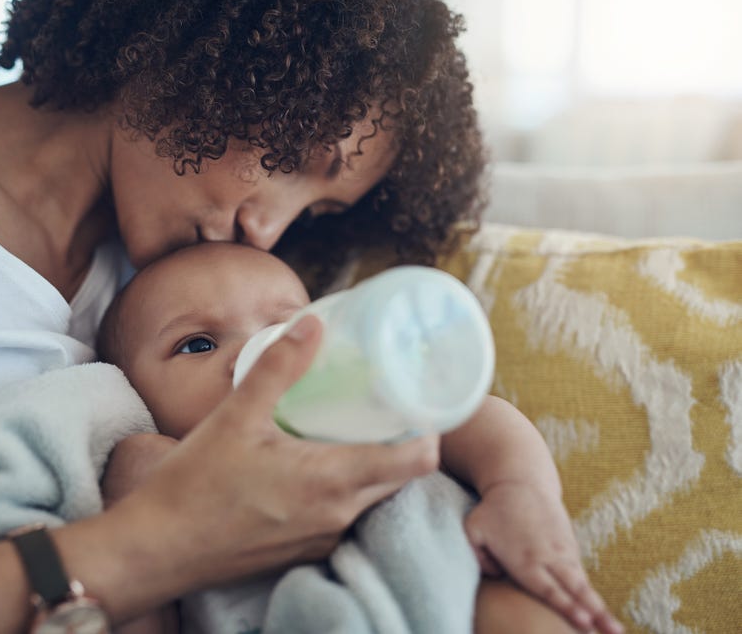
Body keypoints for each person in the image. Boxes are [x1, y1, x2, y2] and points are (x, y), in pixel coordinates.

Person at [0, 0, 601, 632]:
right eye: (291, 154)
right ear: (216, 37)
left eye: (318, 212)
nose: (269, 229)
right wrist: (154, 549)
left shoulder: (191, 284)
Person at [95, 242, 623, 634]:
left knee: (522, 617)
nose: (260, 354)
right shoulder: (150, 459)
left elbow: (472, 415)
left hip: (426, 596)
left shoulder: (352, 413)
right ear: (129, 391)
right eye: (198, 344)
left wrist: (519, 491)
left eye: (286, 329)